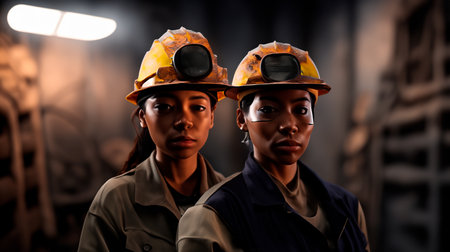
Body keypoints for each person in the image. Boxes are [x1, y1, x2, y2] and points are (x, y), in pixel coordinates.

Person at [176, 42, 370, 251]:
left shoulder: (346, 207)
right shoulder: (213, 216)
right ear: (242, 119)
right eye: (268, 110)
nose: (289, 125)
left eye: (301, 110)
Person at [77, 27, 229, 252]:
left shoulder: (228, 198)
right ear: (143, 117)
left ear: (212, 116)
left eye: (197, 107)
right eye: (164, 107)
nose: (183, 121)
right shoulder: (116, 199)